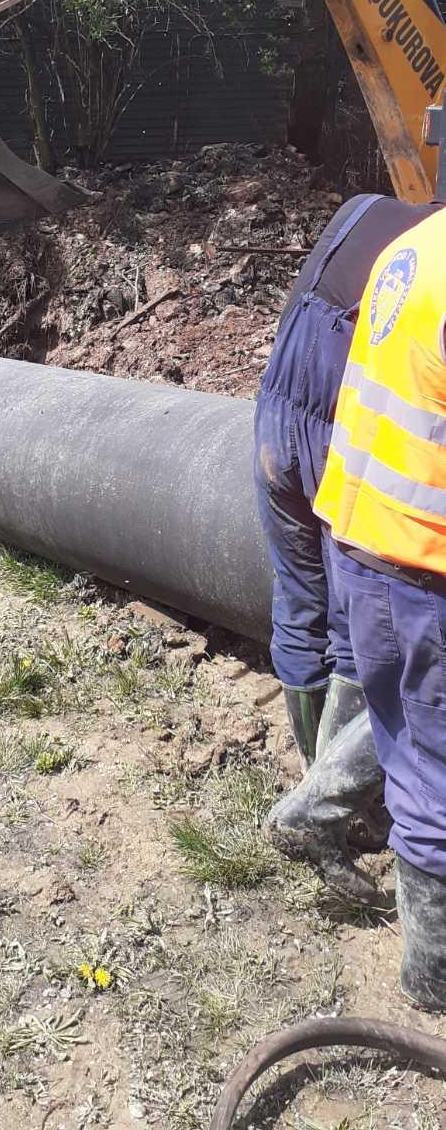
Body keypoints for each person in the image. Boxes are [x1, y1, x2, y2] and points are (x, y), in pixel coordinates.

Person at [267, 203, 446, 1011]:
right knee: (437, 771)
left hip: (363, 529)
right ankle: (432, 978)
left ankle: (311, 811)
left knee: (404, 712)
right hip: (417, 556)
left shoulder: (414, 246)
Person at [254, 191, 435, 769]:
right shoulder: (431, 252)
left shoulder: (358, 212)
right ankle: (329, 799)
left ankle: (311, 768)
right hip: (341, 440)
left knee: (298, 603)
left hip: (272, 420)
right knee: (356, 628)